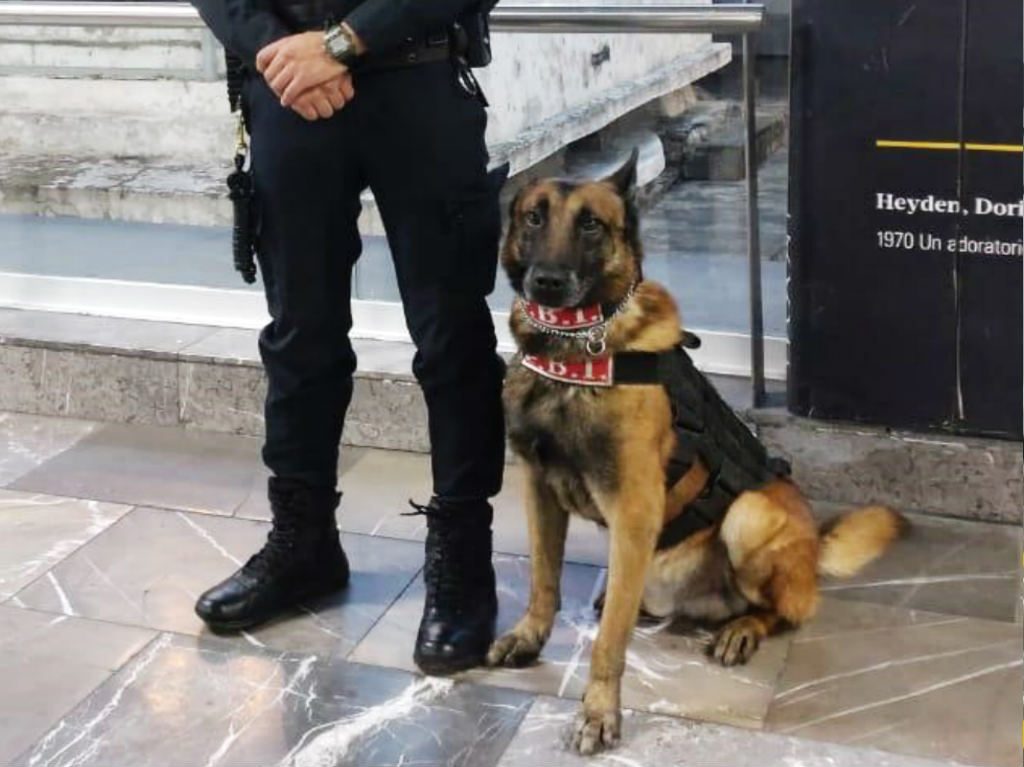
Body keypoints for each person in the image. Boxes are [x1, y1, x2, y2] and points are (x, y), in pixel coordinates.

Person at [190, 0, 507, 675]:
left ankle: (463, 558)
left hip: (420, 77)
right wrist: (283, 53)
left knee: (453, 337)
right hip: (289, 91)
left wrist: (341, 44)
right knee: (300, 334)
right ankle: (303, 542)